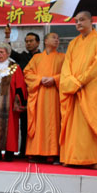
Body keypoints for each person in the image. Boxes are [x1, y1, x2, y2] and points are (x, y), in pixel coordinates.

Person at [60, 11, 97, 169]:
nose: (78, 23)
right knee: (73, 127)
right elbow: (66, 68)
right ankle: (71, 157)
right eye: (76, 21)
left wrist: (81, 81)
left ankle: (92, 159)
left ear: (92, 21)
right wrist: (72, 83)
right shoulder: (73, 43)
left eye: (82, 20)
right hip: (75, 92)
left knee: (89, 125)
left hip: (91, 90)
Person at [24, 33, 64, 163]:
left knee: (53, 122)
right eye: (54, 37)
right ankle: (35, 152)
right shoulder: (36, 58)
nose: (57, 40)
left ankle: (53, 152)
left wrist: (55, 79)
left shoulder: (63, 57)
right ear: (46, 41)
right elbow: (27, 73)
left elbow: (68, 74)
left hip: (54, 95)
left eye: (58, 38)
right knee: (37, 121)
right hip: (39, 94)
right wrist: (40, 79)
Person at [0, 42, 27, 161]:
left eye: (1, 52)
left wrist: (18, 103)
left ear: (8, 53)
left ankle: (9, 152)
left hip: (8, 103)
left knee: (10, 128)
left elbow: (20, 86)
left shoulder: (14, 68)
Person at [5, 25, 41, 158]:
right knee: (24, 124)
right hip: (24, 95)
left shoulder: (43, 56)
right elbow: (10, 51)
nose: (28, 43)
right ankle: (23, 151)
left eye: (31, 41)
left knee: (38, 124)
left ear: (38, 42)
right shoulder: (22, 57)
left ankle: (36, 152)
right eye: (26, 41)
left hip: (39, 94)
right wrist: (8, 36)